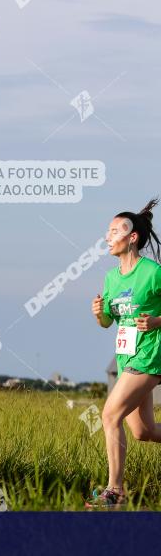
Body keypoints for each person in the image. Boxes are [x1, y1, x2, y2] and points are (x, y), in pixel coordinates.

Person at [87, 198, 161, 508]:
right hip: (126, 357)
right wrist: (98, 314)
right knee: (143, 432)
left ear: (132, 237)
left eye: (115, 230)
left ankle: (115, 492)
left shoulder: (153, 272)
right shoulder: (111, 278)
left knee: (109, 414)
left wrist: (157, 320)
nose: (108, 237)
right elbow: (108, 322)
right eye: (108, 231)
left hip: (150, 354)